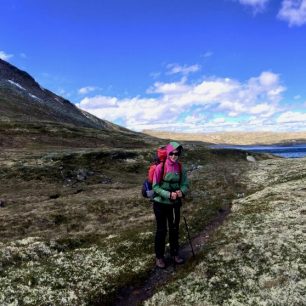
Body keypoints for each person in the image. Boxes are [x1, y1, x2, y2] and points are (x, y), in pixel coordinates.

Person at [152, 141, 189, 268]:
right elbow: (155, 187)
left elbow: (185, 184)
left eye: (177, 153)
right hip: (160, 204)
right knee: (161, 230)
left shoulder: (180, 167)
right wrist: (168, 194)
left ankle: (174, 253)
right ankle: (159, 257)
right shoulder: (160, 168)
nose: (174, 156)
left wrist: (181, 192)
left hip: (174, 204)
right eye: (172, 153)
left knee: (174, 229)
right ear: (168, 153)